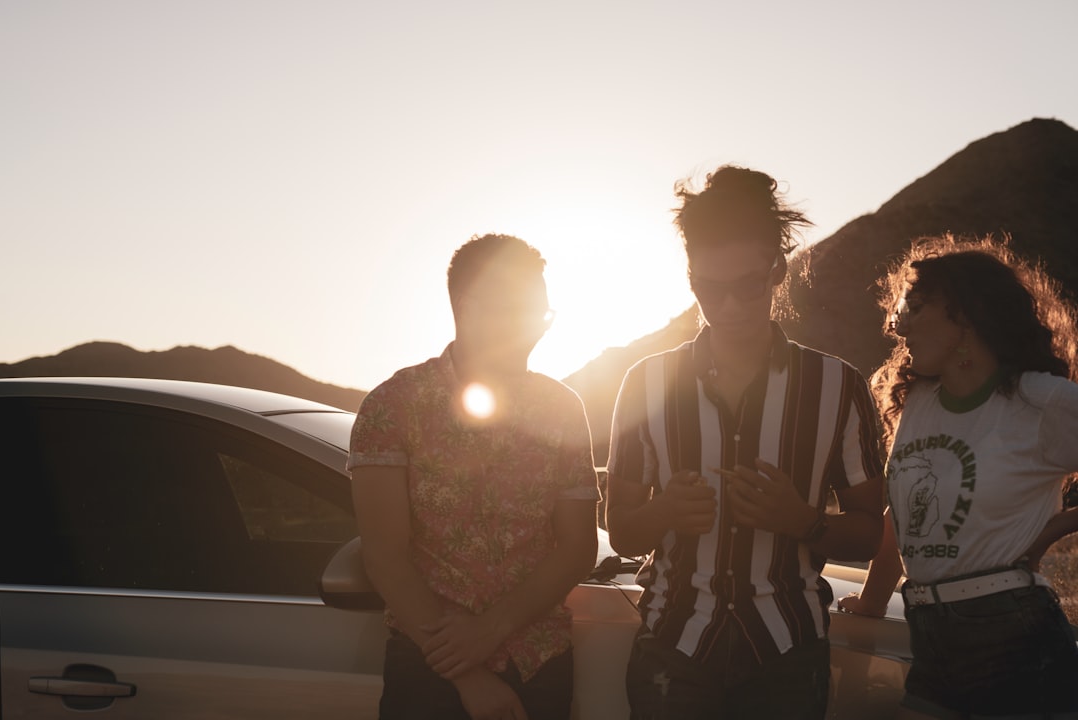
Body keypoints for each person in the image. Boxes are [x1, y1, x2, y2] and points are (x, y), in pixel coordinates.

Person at [605, 165, 885, 720]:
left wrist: (802, 521)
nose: (729, 306)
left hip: (787, 657)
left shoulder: (838, 386)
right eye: (710, 289)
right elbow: (621, 530)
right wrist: (663, 512)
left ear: (778, 269)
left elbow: (869, 535)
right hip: (674, 653)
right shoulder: (645, 384)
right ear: (690, 278)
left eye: (748, 285)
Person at [349, 233, 600, 720]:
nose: (536, 329)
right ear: (467, 308)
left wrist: (490, 630)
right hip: (428, 669)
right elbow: (384, 556)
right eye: (520, 311)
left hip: (538, 663)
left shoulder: (563, 409)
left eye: (542, 314)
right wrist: (468, 676)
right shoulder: (392, 406)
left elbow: (577, 547)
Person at [838, 234, 1078, 718]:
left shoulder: (1041, 400)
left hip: (1017, 641)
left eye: (914, 309)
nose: (899, 326)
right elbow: (903, 513)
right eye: (900, 312)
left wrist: (1049, 532)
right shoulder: (919, 399)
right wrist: (871, 602)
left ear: (964, 314)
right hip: (932, 637)